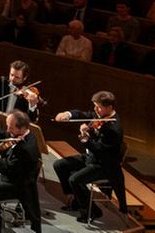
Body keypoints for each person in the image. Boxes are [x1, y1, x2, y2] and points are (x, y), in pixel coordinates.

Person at [52, 91, 123, 222]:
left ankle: (92, 211)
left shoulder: (114, 128)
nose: (95, 109)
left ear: (109, 107)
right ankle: (77, 200)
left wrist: (86, 140)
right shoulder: (99, 115)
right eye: (95, 106)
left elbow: (101, 150)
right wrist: (67, 114)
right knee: (59, 165)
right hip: (91, 158)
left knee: (75, 179)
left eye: (98, 107)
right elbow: (82, 114)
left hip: (103, 165)